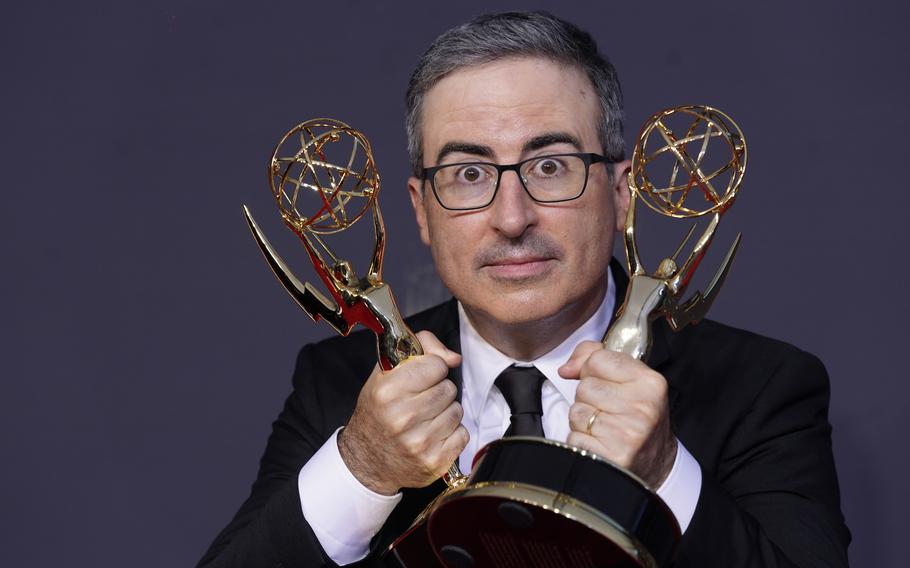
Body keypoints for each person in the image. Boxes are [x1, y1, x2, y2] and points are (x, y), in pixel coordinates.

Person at [198, 11, 850, 567]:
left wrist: (664, 474)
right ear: (421, 210)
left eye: (550, 166)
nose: (512, 218)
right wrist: (363, 468)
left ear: (622, 192)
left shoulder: (761, 387)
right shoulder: (339, 387)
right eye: (469, 173)